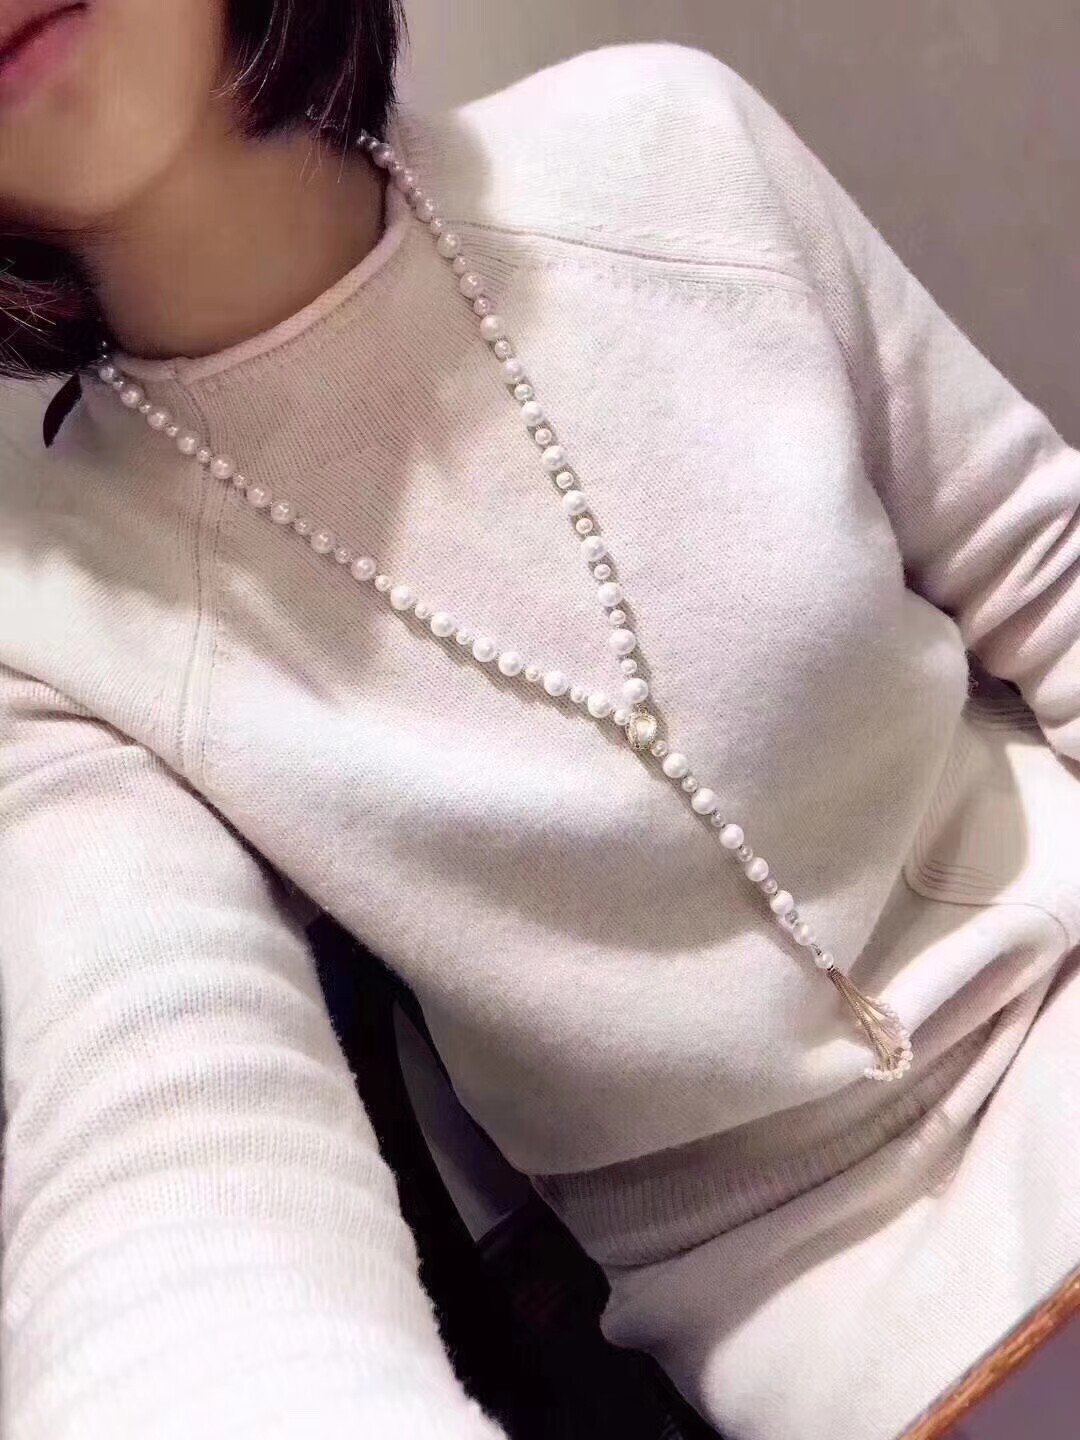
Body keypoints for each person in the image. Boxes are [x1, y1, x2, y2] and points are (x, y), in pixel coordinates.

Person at [1, 2, 1077, 1437]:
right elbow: (157, 1150)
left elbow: (1047, 572)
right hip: (843, 1313)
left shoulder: (666, 147)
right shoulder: (46, 626)